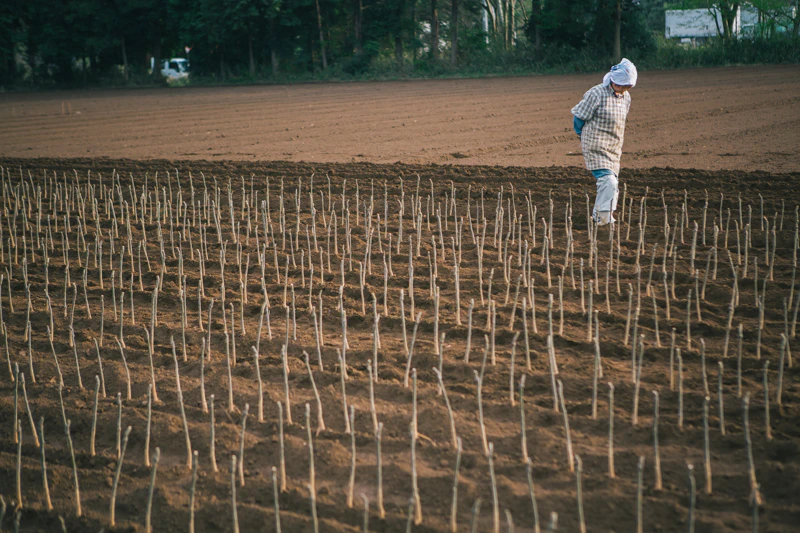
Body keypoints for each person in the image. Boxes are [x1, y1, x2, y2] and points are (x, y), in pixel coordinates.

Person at [571, 58, 638, 226]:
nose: (622, 89)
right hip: (595, 144)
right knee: (608, 181)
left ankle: (604, 216)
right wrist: (583, 136)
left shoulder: (626, 98)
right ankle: (602, 219)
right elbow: (579, 118)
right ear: (613, 80)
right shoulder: (596, 93)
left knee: (613, 183)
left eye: (626, 87)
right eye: (620, 85)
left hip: (614, 146)